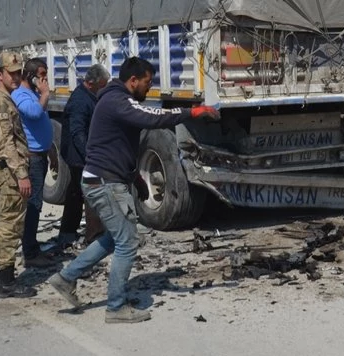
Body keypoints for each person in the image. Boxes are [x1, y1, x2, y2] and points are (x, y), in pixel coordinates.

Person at [47, 56, 219, 323]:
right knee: (127, 243)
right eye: (147, 83)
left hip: (105, 179)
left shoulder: (114, 99)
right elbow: (153, 117)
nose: (149, 89)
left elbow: (116, 147)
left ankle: (66, 277)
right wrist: (193, 112)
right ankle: (115, 307)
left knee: (114, 238)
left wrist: (135, 179)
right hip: (105, 183)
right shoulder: (118, 101)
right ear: (133, 80)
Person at [0, 50, 37, 299]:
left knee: (4, 222)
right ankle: (6, 282)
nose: (16, 77)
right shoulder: (0, 102)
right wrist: (22, 174)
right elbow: (7, 144)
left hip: (3, 171)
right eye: (11, 73)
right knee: (10, 225)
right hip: (7, 172)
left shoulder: (0, 97)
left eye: (18, 73)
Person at [55, 63, 110, 249]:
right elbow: (77, 132)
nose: (104, 88)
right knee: (91, 192)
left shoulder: (89, 96)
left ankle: (68, 232)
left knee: (75, 193)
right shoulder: (80, 100)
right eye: (103, 84)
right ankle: (94, 237)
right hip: (79, 155)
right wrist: (89, 156)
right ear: (91, 83)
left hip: (80, 154)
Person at [12, 56, 53, 268]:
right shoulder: (20, 95)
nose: (45, 80)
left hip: (41, 154)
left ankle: (32, 246)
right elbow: (35, 113)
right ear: (30, 75)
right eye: (42, 75)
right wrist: (45, 94)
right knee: (34, 204)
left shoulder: (32, 93)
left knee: (37, 202)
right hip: (32, 157)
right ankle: (30, 252)